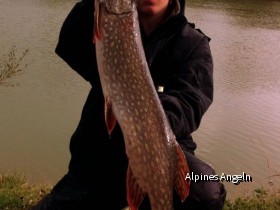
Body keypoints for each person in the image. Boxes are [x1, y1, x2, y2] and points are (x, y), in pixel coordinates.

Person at [33, 0, 227, 209]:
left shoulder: (193, 44)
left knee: (205, 190)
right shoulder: (108, 24)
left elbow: (191, 103)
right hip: (99, 157)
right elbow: (70, 45)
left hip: (158, 153)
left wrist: (146, 123)